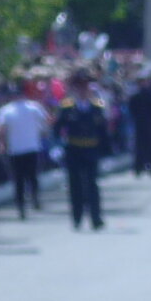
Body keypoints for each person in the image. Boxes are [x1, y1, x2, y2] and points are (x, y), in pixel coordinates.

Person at [54, 70, 109, 231]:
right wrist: (57, 145)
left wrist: (105, 151)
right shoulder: (67, 106)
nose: (83, 90)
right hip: (74, 149)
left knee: (92, 185)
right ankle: (77, 217)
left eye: (85, 86)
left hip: (91, 149)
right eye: (79, 86)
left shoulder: (97, 106)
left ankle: (96, 218)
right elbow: (57, 128)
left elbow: (103, 131)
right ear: (75, 88)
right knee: (75, 185)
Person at [0, 80, 50, 219]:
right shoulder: (31, 107)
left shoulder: (8, 110)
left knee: (23, 178)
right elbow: (45, 123)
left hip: (22, 148)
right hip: (25, 147)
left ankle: (25, 203)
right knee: (29, 177)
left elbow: (0, 129)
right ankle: (28, 202)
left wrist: (2, 143)